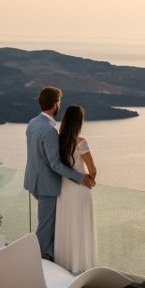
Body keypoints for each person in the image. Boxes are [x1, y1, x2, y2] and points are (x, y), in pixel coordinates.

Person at [23, 87, 94, 261]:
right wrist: (80, 178)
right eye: (59, 103)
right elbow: (55, 164)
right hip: (47, 185)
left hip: (33, 181)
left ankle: (50, 256)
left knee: (53, 224)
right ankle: (33, 264)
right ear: (55, 105)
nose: (59, 106)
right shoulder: (49, 130)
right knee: (45, 228)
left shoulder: (32, 123)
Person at [54, 105, 98, 273]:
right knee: (82, 228)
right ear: (79, 122)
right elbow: (92, 169)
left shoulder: (58, 141)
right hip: (81, 190)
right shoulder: (81, 142)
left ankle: (65, 269)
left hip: (64, 190)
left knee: (67, 226)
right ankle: (83, 269)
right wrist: (91, 180)